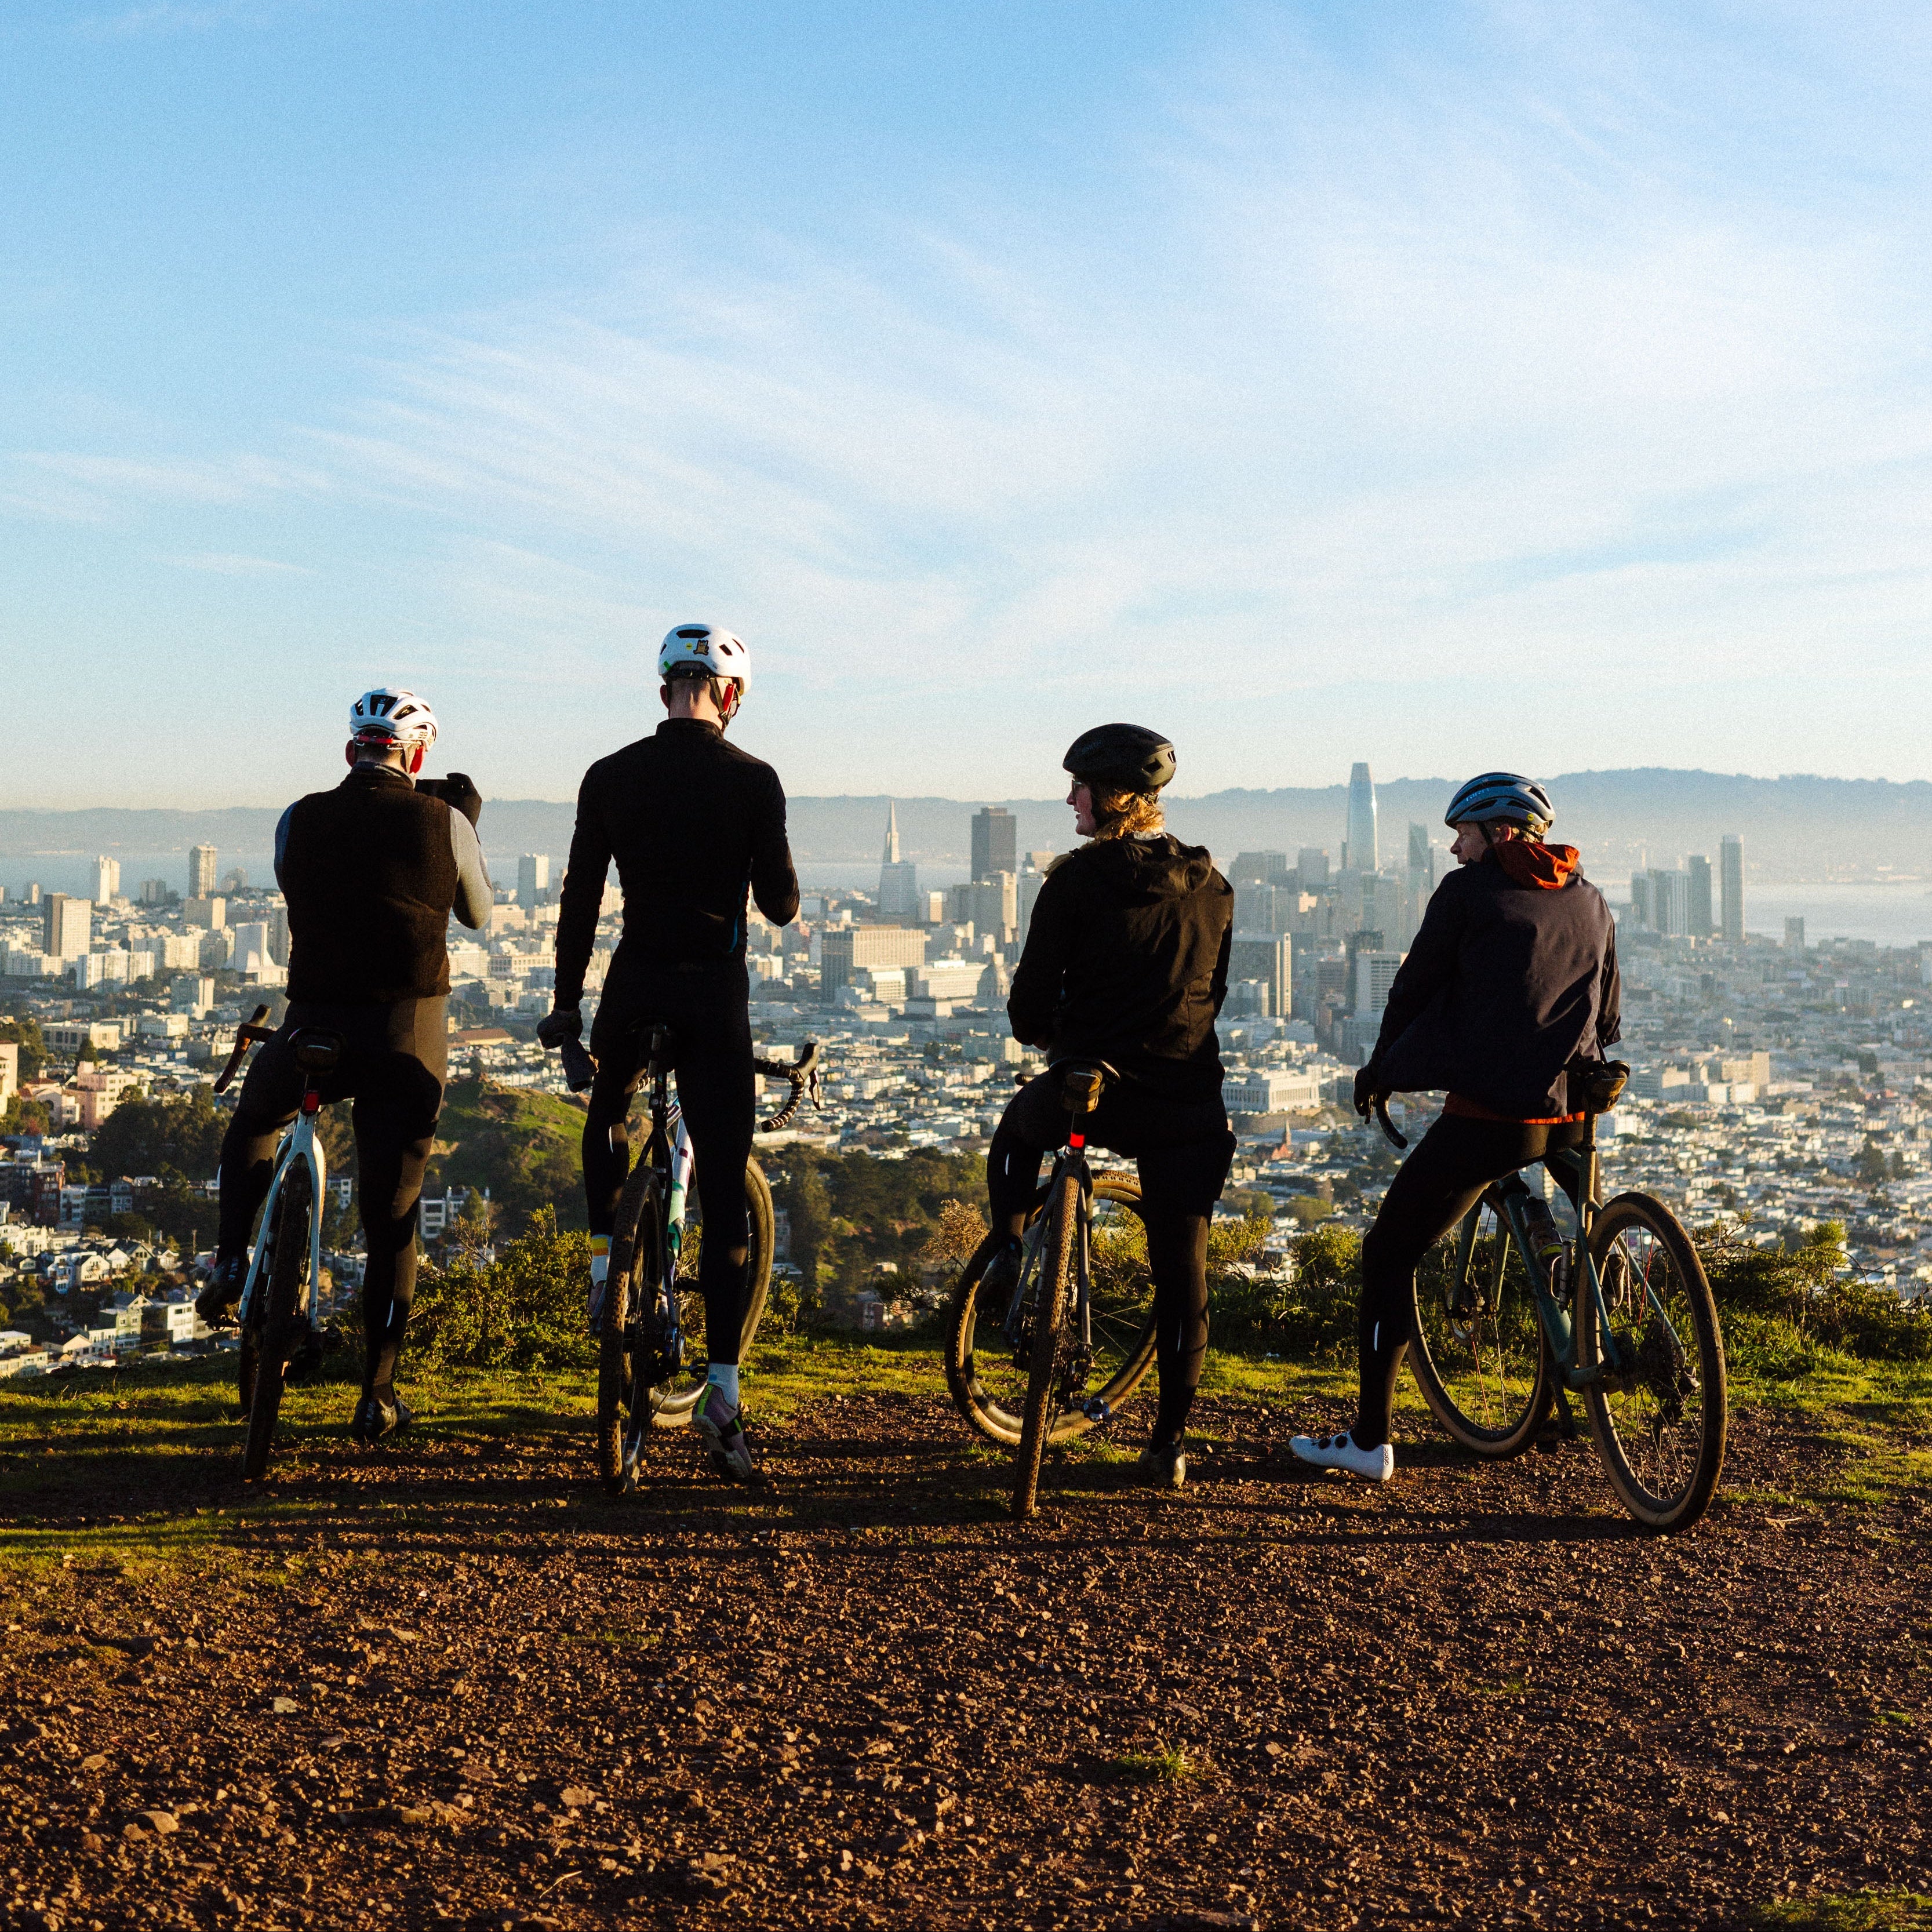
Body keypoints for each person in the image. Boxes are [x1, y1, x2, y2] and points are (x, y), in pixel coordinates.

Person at [1290, 772, 1621, 1482]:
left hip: (1492, 1117)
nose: (1453, 848)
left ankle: (1369, 1440)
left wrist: (1382, 1069)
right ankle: (1587, 1278)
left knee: (1387, 1253)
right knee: (1571, 1208)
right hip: (1574, 1111)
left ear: (1499, 834)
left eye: (1463, 834)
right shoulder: (1590, 898)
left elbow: (1414, 989)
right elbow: (1610, 1013)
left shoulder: (1468, 894)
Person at [539, 623, 798, 1483]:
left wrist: (565, 1005)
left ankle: (604, 1268)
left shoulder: (609, 774)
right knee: (722, 1182)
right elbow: (781, 905)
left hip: (634, 983)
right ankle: (721, 1392)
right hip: (712, 994)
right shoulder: (753, 779)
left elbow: (581, 898)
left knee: (609, 1107)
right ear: (731, 697)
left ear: (664, 692)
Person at [200, 687, 492, 1443]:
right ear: (416, 756)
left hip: (313, 1024)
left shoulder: (297, 818)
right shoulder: (445, 822)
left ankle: (230, 1261)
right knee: (392, 1216)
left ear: (349, 751)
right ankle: (378, 1394)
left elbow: (299, 886)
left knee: (256, 1121)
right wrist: (463, 824)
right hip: (404, 1033)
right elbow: (479, 914)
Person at [988, 723, 1236, 1489]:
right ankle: (1168, 1444)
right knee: (1183, 1274)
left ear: (1116, 796)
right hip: (1187, 1102)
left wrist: (1058, 1035)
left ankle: (1006, 1256)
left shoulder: (1074, 883)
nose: (1072, 799)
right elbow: (1214, 994)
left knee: (1015, 1134)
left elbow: (1028, 1009)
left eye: (1080, 788)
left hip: (1091, 1093)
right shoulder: (1214, 887)